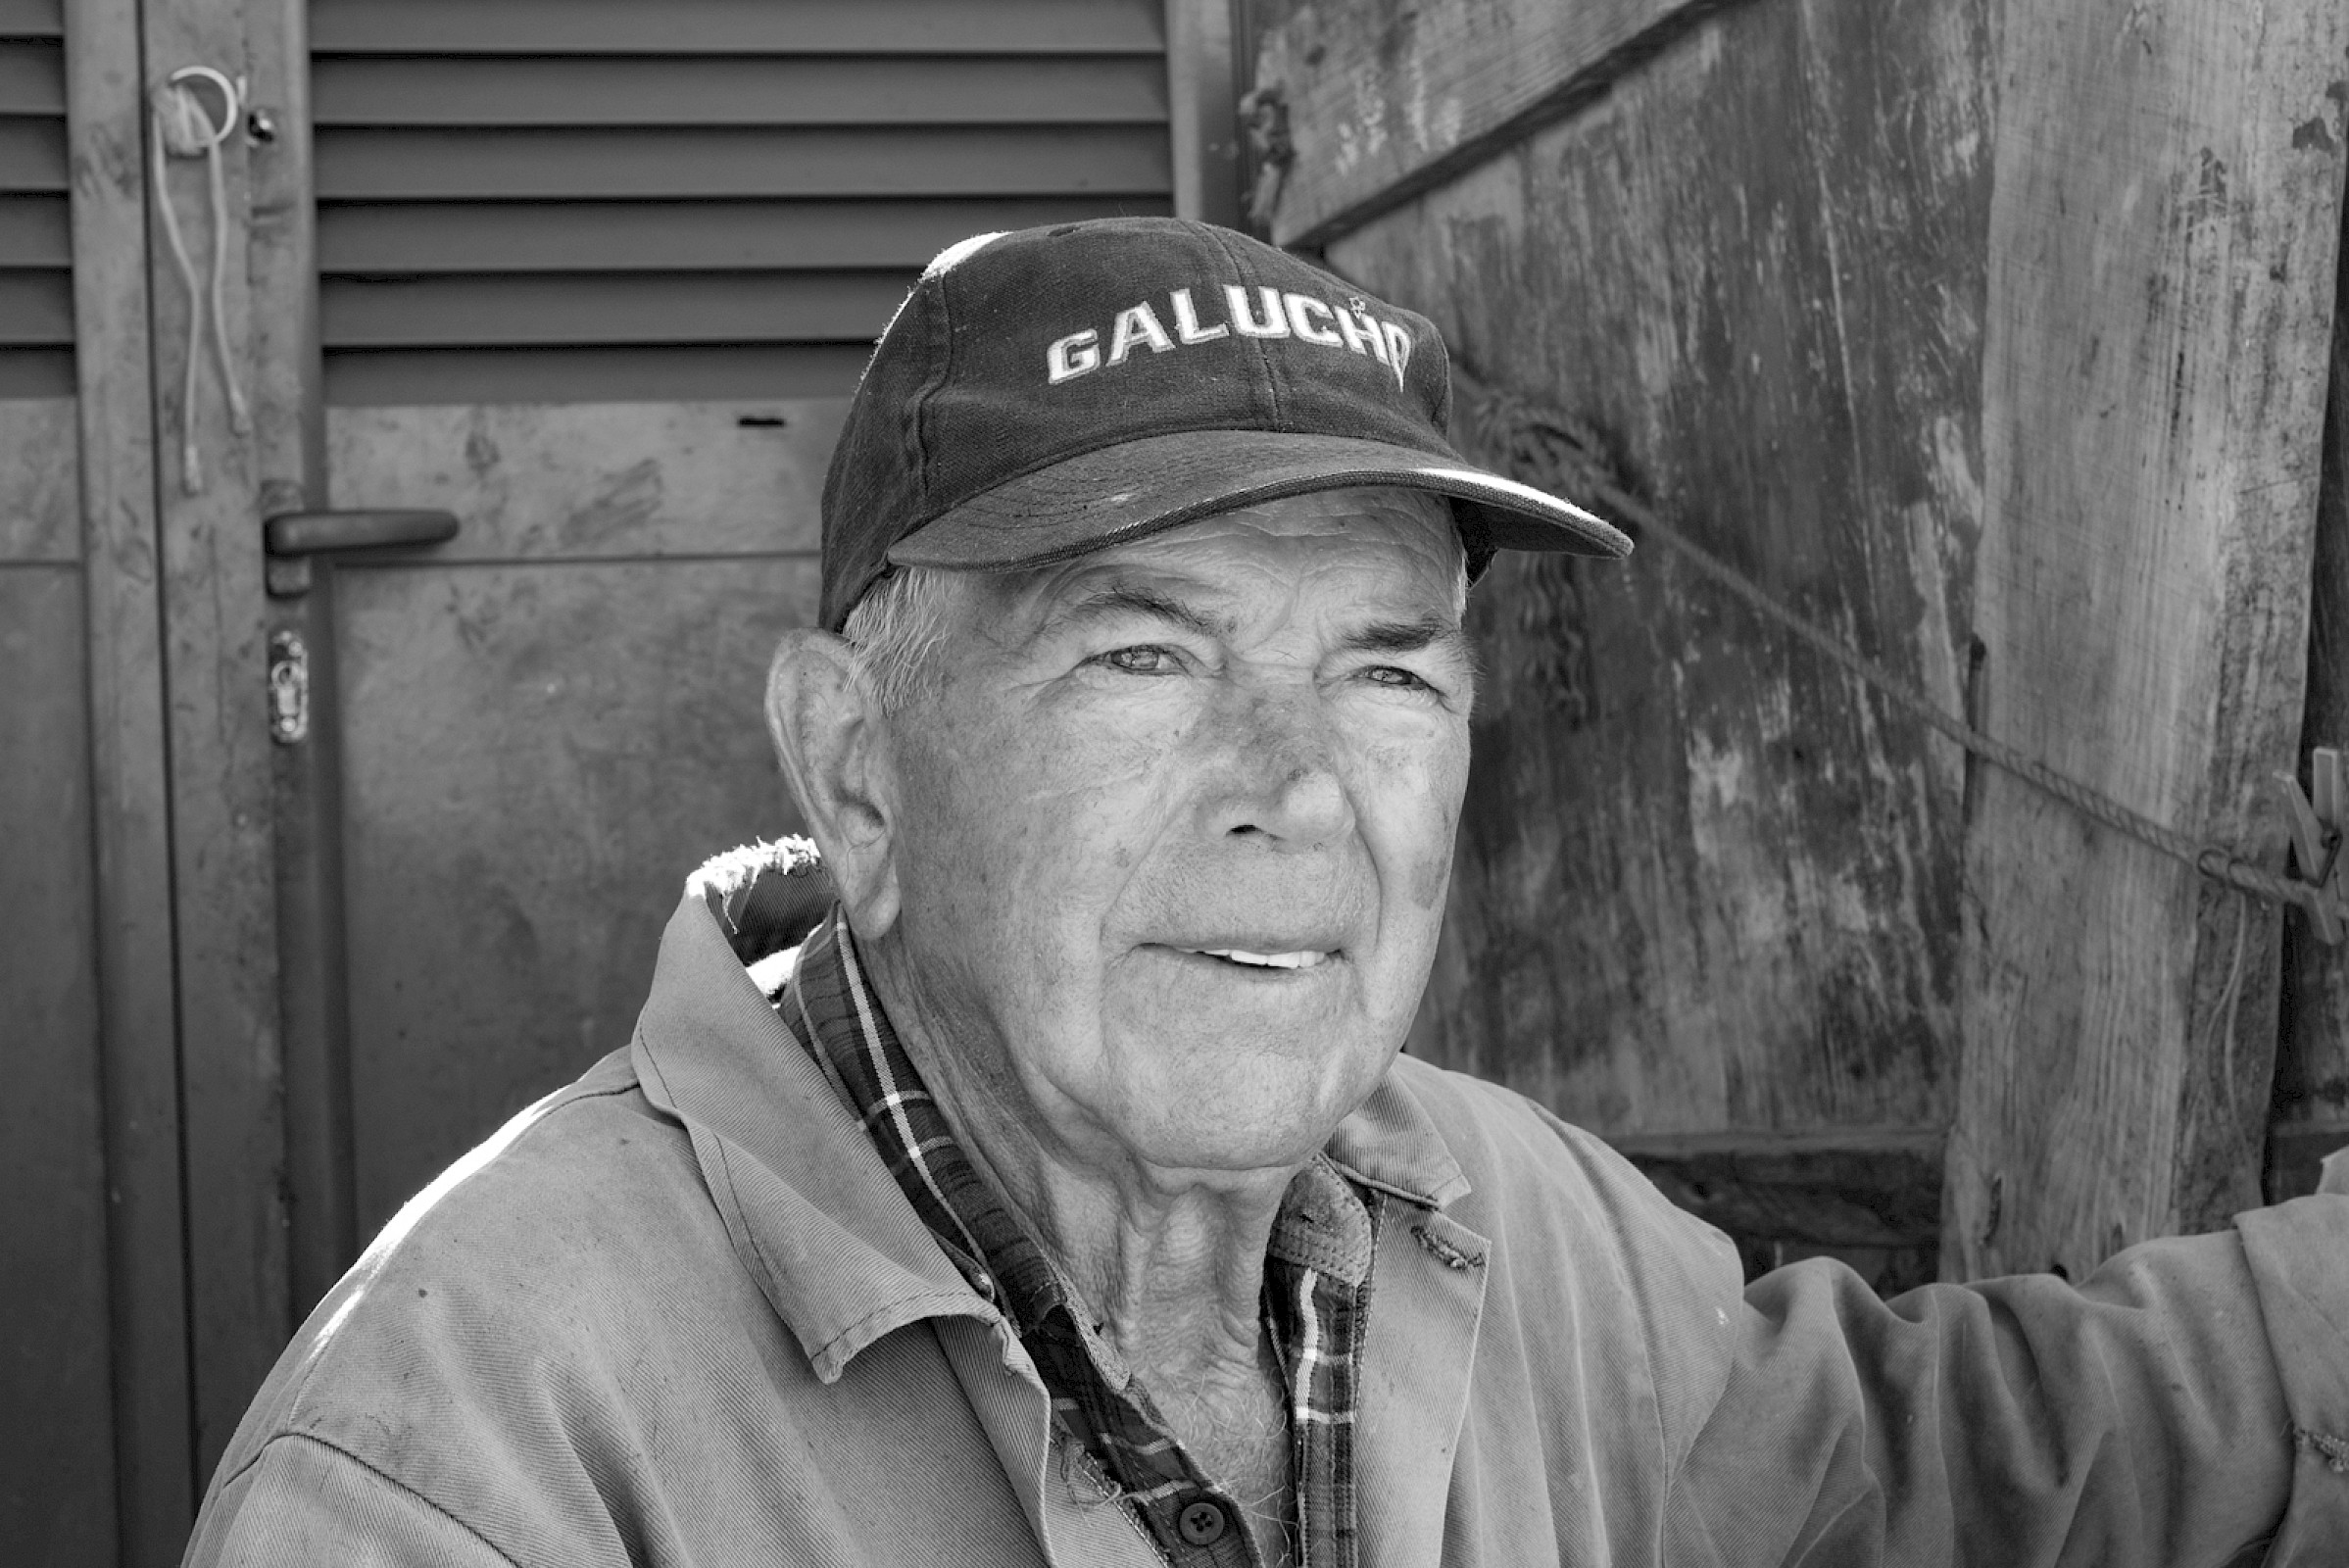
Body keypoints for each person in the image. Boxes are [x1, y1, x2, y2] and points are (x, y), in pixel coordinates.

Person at [183, 218, 2349, 1567]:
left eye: (1385, 670)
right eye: (1144, 656)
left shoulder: (1496, 1214)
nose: (1295, 790)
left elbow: (1946, 1461)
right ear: (855, 767)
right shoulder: (470, 1447)